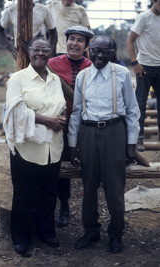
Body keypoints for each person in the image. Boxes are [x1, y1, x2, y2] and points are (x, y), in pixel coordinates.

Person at [68, 36, 140, 253]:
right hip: (88, 133)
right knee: (88, 187)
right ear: (89, 51)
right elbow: (77, 111)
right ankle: (91, 231)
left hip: (114, 132)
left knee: (114, 188)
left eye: (105, 52)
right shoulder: (83, 75)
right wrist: (73, 144)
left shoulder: (122, 73)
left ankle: (116, 234)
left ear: (112, 52)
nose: (100, 56)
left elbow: (132, 110)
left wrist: (131, 144)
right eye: (96, 51)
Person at [3, 37, 66, 255]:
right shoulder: (18, 79)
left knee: (49, 193)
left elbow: (61, 105)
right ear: (29, 52)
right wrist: (48, 121)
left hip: (53, 146)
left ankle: (46, 232)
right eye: (36, 49)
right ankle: (21, 237)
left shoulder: (55, 79)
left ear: (51, 53)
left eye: (45, 50)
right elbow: (16, 110)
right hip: (27, 148)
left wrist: (62, 118)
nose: (41, 53)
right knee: (24, 194)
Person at [48, 25, 94, 227]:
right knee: (60, 165)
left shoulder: (93, 66)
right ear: (65, 42)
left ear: (86, 46)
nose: (74, 43)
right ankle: (63, 204)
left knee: (90, 166)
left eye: (80, 40)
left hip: (86, 127)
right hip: (59, 126)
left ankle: (91, 209)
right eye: (71, 39)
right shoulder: (51, 63)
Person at [126, 0, 160, 151]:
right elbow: (130, 40)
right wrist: (135, 63)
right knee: (140, 104)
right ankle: (138, 138)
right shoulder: (144, 17)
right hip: (145, 66)